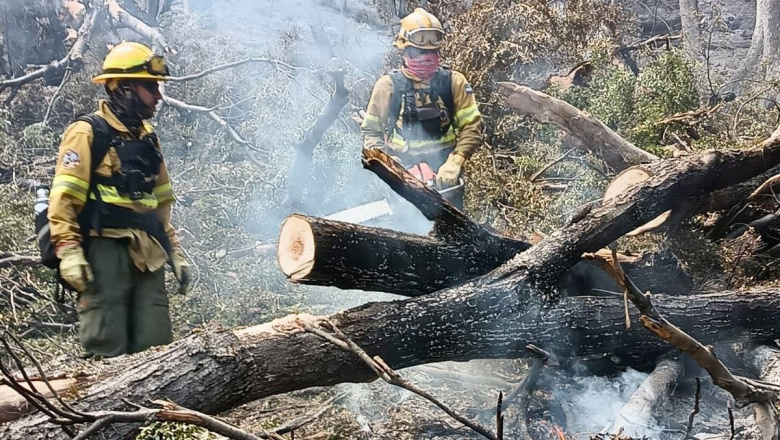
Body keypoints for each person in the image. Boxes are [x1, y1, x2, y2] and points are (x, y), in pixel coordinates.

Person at [48, 41, 190, 359]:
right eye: (150, 87)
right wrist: (70, 252)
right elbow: (64, 200)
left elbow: (161, 207)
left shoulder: (149, 140)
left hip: (148, 254)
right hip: (104, 252)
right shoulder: (87, 133)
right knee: (106, 347)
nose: (158, 96)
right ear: (124, 88)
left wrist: (176, 253)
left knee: (156, 351)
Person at [360, 7, 483, 208]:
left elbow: (472, 127)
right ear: (404, 50)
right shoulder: (388, 86)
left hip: (446, 177)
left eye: (432, 51)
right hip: (403, 175)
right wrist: (392, 167)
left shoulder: (454, 82)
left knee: (454, 233)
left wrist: (455, 161)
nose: (426, 57)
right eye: (419, 51)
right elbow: (371, 132)